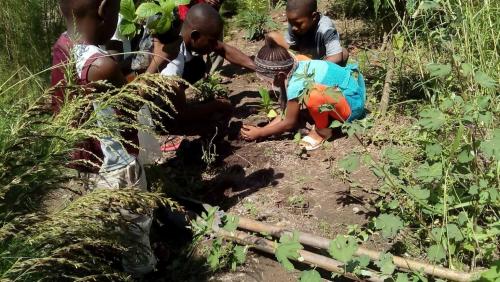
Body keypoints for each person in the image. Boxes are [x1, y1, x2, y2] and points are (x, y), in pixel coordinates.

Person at [52, 0, 155, 275]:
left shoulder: (62, 45)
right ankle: (140, 270)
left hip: (84, 159)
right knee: (134, 226)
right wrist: (152, 78)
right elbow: (131, 104)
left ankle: (105, 261)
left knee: (100, 223)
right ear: (104, 9)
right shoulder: (102, 66)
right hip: (116, 167)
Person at [240, 37, 365, 151]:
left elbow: (289, 123)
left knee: (313, 96)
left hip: (353, 104)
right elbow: (286, 114)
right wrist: (263, 129)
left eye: (267, 80)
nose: (266, 83)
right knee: (312, 95)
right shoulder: (297, 62)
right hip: (346, 90)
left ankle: (322, 131)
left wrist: (260, 133)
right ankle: (324, 115)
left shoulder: (296, 85)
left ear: (281, 76)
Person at [269, 0, 349, 66]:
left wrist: (311, 68)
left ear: (313, 16)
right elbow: (291, 47)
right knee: (272, 37)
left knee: (343, 53)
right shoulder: (295, 24)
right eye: (290, 22)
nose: (293, 27)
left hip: (323, 61)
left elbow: (336, 57)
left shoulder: (326, 28)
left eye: (298, 24)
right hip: (304, 59)